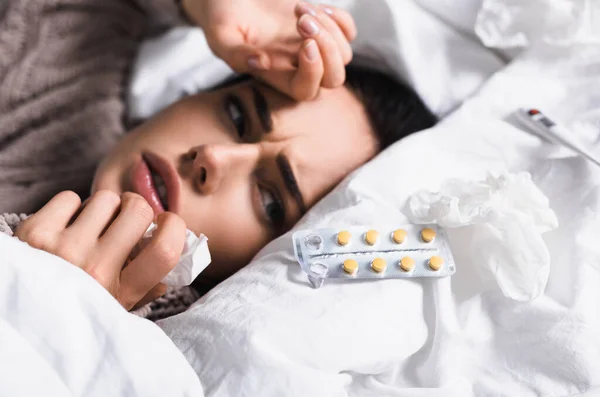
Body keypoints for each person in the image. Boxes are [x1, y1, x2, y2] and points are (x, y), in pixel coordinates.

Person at [10, 0, 436, 310]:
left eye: (270, 201)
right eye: (237, 114)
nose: (212, 158)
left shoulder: (163, 360)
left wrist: (46, 310)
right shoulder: (62, 63)